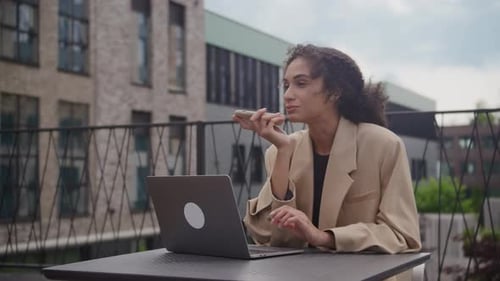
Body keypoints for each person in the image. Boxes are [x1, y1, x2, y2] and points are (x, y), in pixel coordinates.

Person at [232, 44, 421, 262]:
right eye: (285, 85)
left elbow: (402, 235)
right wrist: (283, 152)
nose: (288, 95)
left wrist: (324, 237)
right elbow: (267, 237)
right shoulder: (280, 149)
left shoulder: (383, 145)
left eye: (300, 83)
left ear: (334, 92)